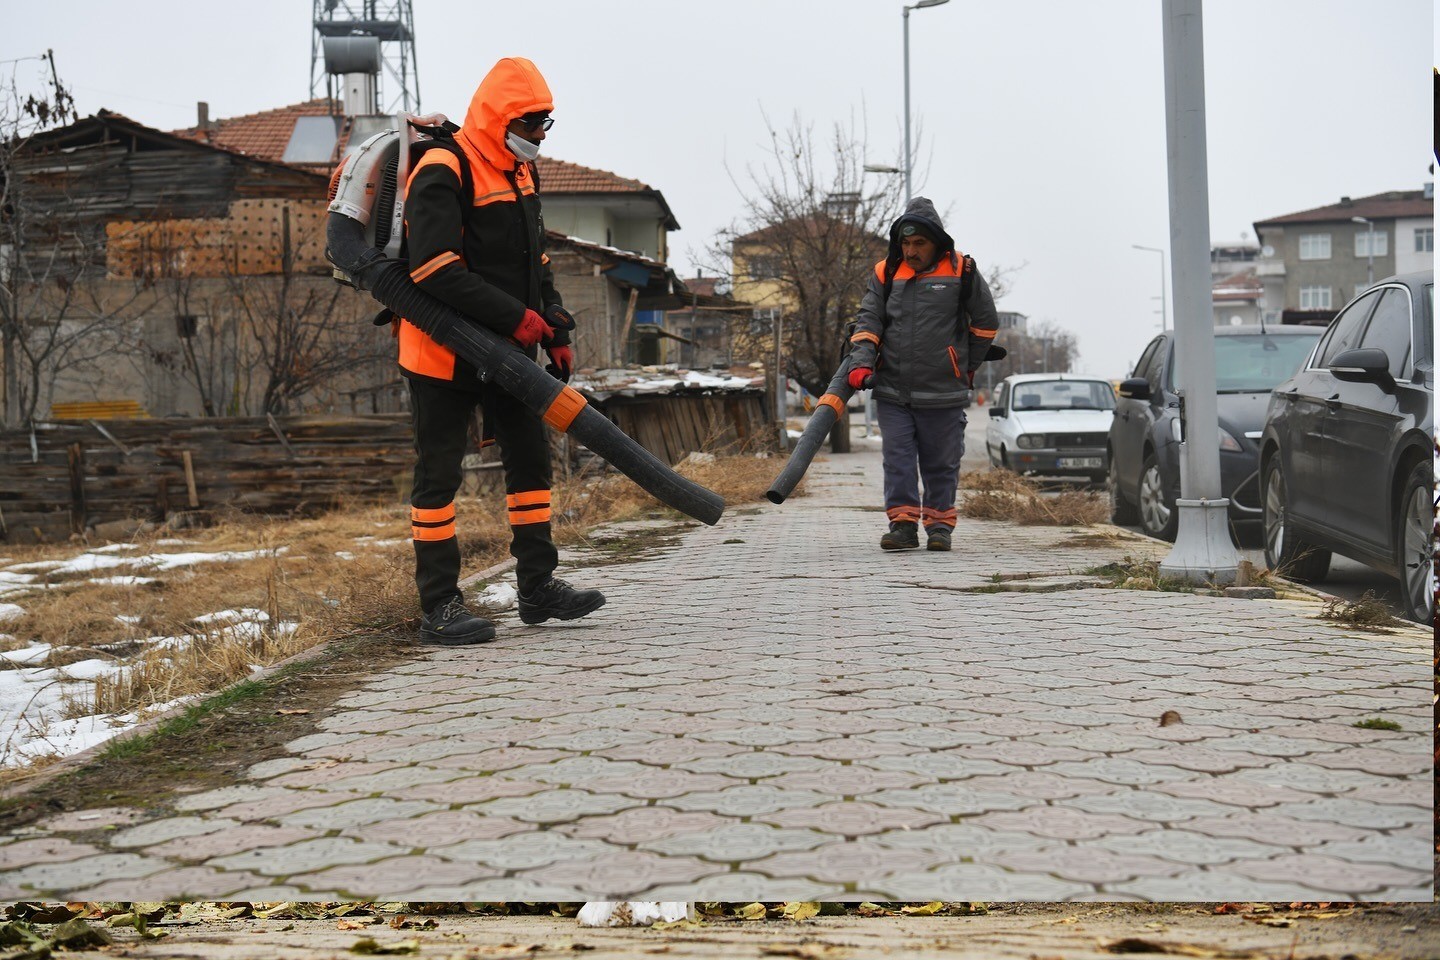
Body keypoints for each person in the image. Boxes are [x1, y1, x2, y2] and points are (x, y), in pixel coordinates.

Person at [399, 56, 604, 644]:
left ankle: (538, 588)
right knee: (439, 478)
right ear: (499, 115)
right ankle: (439, 606)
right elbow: (434, 268)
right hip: (442, 351)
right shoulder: (444, 167)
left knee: (531, 465)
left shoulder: (519, 172)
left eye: (546, 123)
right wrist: (519, 319)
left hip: (511, 354)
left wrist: (556, 331)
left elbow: (534, 259)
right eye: (532, 121)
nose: (539, 133)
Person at [845, 196, 999, 552]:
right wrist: (861, 365)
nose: (911, 251)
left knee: (941, 462)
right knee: (897, 459)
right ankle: (902, 525)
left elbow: (986, 323)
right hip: (893, 388)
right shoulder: (886, 272)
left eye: (919, 244)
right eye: (906, 243)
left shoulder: (962, 271)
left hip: (944, 390)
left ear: (937, 243)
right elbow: (869, 322)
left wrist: (965, 365)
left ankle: (940, 525)